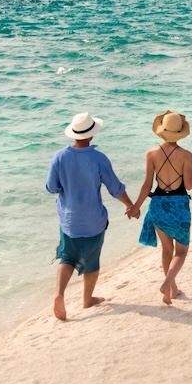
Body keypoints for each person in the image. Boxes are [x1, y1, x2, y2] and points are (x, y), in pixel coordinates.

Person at [46, 111, 136, 321]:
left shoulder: (59, 157)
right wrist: (130, 205)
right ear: (92, 135)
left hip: (68, 220)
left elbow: (51, 187)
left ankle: (59, 294)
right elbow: (115, 188)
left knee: (68, 257)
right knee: (92, 261)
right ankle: (87, 300)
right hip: (94, 220)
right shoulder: (99, 159)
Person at [128, 110, 192, 305]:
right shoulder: (186, 155)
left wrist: (135, 207)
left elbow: (147, 185)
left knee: (167, 250)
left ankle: (172, 290)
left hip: (158, 204)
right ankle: (168, 284)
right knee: (181, 252)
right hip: (179, 205)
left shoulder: (151, 154)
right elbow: (189, 184)